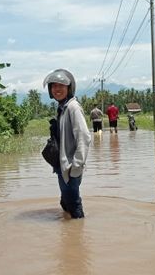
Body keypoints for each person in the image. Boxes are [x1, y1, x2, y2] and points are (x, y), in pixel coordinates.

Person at [43, 69, 91, 219]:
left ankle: (77, 236)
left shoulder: (73, 107)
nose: (57, 89)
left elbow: (84, 137)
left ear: (69, 88)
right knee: (65, 203)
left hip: (70, 168)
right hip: (62, 167)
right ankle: (69, 234)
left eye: (61, 86)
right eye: (54, 86)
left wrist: (76, 167)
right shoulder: (63, 108)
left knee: (74, 206)